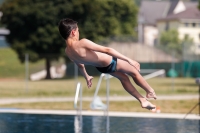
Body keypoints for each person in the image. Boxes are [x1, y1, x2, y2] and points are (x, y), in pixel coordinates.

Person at [58, 18, 157, 110]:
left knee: (124, 79)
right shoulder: (82, 43)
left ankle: (142, 100)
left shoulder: (68, 51)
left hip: (102, 68)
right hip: (111, 61)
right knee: (134, 72)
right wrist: (128, 60)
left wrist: (86, 76)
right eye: (78, 30)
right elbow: (107, 50)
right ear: (73, 32)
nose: (79, 33)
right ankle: (150, 91)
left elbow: (80, 65)